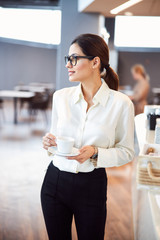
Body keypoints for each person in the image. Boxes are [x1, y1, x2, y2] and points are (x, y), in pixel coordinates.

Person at [41, 33, 135, 240]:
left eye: (74, 58)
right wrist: (48, 143)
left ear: (95, 62)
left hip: (91, 186)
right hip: (54, 182)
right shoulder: (61, 97)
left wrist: (95, 153)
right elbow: (54, 138)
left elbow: (128, 152)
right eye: (68, 59)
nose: (68, 64)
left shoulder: (121, 104)